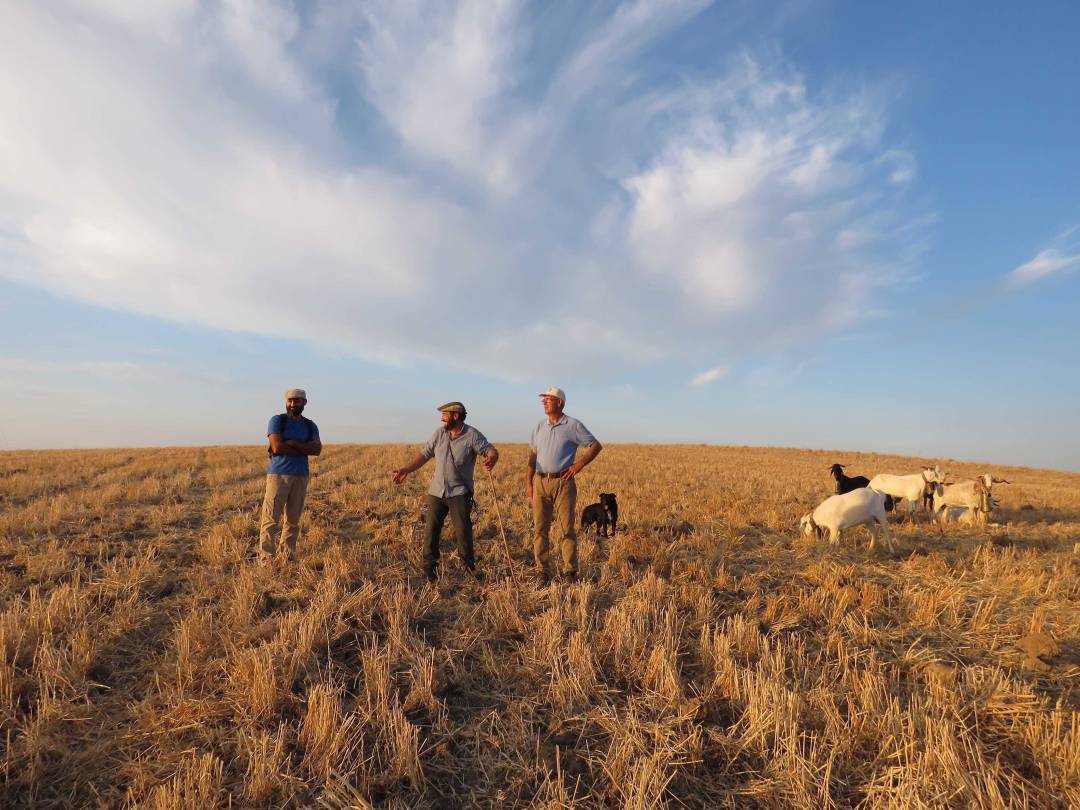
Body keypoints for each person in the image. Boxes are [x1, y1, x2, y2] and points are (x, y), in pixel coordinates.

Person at [392, 402, 499, 583]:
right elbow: (424, 455)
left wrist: (491, 459)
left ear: (456, 416)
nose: (442, 418)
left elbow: (491, 450)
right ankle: (429, 567)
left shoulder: (472, 435)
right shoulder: (439, 433)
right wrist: (406, 469)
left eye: (445, 414)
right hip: (437, 492)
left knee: (463, 531)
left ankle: (468, 566)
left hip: (459, 492)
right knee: (431, 530)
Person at [526, 387, 602, 582]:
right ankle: (542, 571)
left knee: (566, 529)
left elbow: (595, 445)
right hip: (540, 481)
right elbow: (533, 455)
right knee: (539, 529)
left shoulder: (573, 425)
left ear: (559, 403)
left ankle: (570, 572)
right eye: (543, 400)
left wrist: (579, 465)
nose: (544, 402)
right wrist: (529, 481)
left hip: (563, 482)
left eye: (548, 399)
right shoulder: (538, 426)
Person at [259, 388, 321, 562]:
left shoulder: (310, 425)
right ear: (286, 402)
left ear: (304, 403)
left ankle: (287, 556)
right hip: (278, 475)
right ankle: (266, 559)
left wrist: (292, 443)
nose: (293, 404)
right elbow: (277, 447)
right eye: (290, 401)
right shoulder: (277, 421)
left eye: (297, 401)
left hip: (301, 475)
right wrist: (303, 448)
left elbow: (317, 450)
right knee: (271, 519)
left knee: (293, 521)